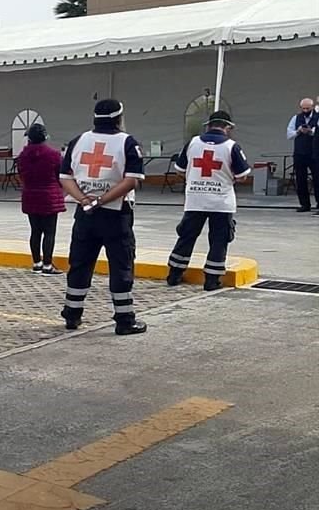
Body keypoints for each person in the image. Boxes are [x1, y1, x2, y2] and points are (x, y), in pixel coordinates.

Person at [59, 99, 148, 336]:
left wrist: (85, 200)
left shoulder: (78, 141)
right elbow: (131, 180)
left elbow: (65, 178)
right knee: (120, 265)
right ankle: (124, 320)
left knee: (79, 262)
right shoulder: (128, 142)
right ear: (119, 118)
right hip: (116, 214)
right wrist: (102, 200)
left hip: (85, 214)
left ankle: (72, 313)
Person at [166, 111, 251, 291]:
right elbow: (243, 175)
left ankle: (174, 274)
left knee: (186, 236)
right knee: (219, 240)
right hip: (222, 202)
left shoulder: (193, 143)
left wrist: (195, 179)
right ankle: (212, 280)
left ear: (208, 125)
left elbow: (180, 170)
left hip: (195, 200)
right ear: (227, 127)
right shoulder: (231, 146)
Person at [17, 123, 66, 275]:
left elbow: (21, 174)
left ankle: (36, 263)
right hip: (49, 196)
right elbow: (61, 174)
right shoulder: (54, 155)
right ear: (45, 137)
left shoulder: (22, 157)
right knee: (49, 232)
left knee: (35, 231)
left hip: (30, 195)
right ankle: (47, 265)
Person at [287, 97, 318, 213]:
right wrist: (298, 131)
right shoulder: (296, 118)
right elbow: (289, 134)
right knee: (300, 179)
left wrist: (311, 132)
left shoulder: (317, 117)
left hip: (315, 153)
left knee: (317, 179)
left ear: (312, 107)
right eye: (303, 108)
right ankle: (304, 204)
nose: (305, 110)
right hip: (300, 153)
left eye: (308, 108)